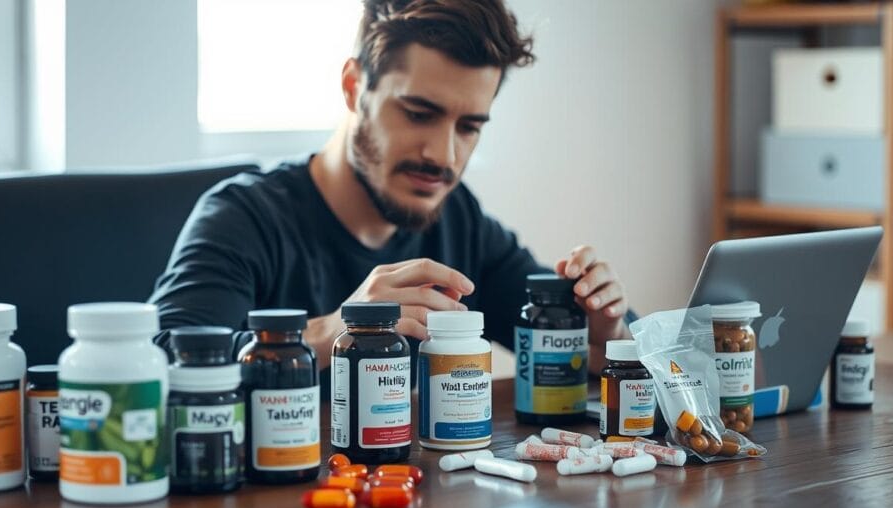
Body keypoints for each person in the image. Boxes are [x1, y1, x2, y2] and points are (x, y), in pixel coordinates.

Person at [149, 0, 631, 381]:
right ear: (354, 86)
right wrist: (336, 329)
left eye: (468, 126)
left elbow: (581, 356)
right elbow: (160, 362)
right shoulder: (242, 217)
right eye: (419, 114)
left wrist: (604, 332)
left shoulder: (457, 219)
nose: (443, 156)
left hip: (403, 495)